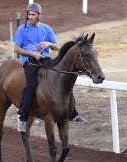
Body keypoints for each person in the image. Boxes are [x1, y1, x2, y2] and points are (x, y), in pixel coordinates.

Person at [13, 3, 86, 133]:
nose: (30, 17)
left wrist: (48, 43)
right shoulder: (21, 30)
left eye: (33, 15)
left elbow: (58, 47)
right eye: (29, 14)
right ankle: (22, 117)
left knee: (63, 79)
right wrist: (33, 53)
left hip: (45, 60)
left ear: (39, 15)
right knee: (30, 85)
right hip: (30, 61)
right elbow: (16, 48)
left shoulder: (46, 29)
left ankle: (73, 113)